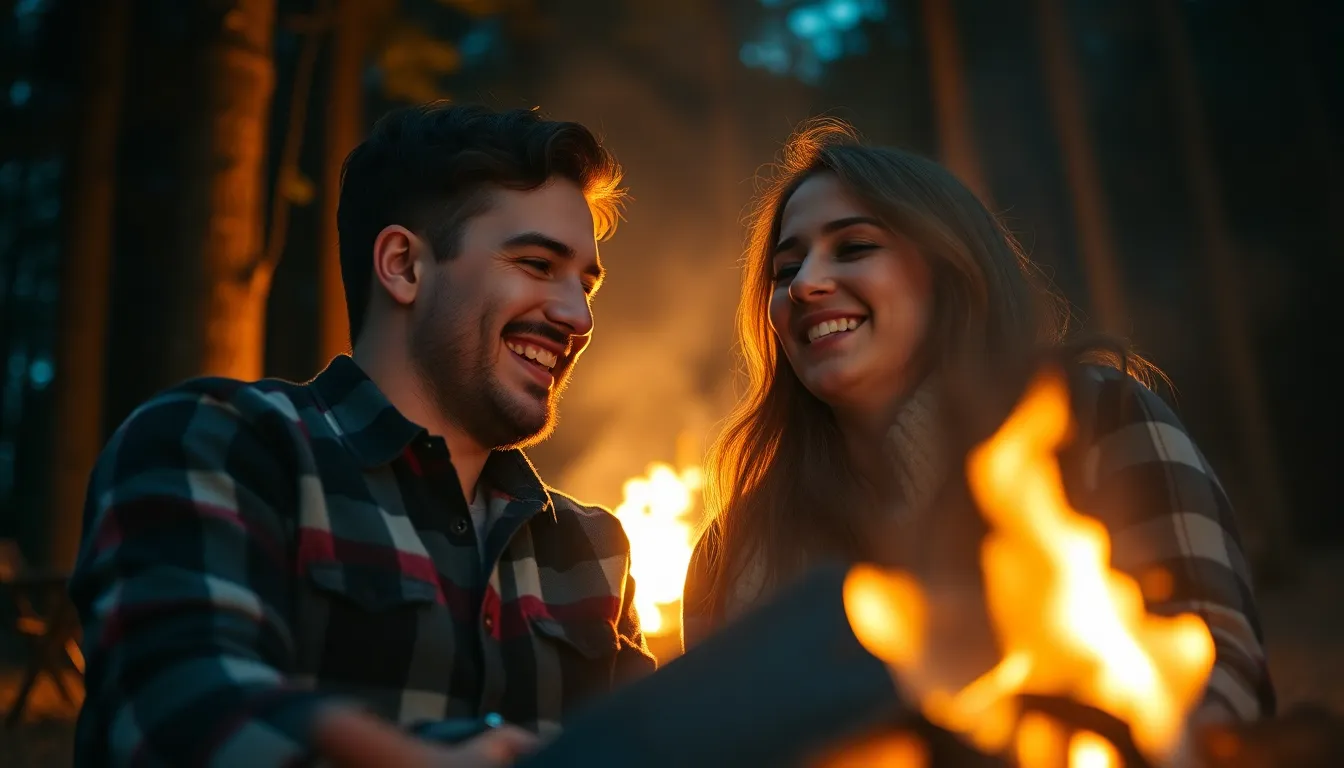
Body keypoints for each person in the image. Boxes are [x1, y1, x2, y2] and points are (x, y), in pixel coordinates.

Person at [69, 102, 657, 767]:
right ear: (404, 265)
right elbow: (178, 717)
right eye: (536, 264)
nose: (576, 315)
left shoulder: (593, 551)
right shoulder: (224, 444)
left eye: (587, 284)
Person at [682, 119, 1275, 727]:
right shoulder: (730, 550)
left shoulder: (1099, 421)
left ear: (949, 268)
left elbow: (1219, 677)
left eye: (855, 247)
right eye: (785, 271)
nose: (807, 284)